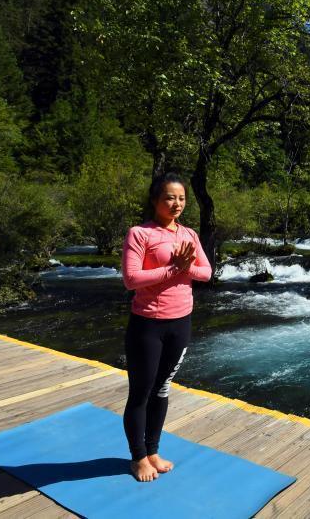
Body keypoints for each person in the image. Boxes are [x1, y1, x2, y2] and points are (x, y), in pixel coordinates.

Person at [120, 172, 212, 482]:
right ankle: (138, 458)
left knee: (162, 387)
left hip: (180, 322)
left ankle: (153, 450)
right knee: (141, 392)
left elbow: (206, 273)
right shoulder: (140, 234)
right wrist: (174, 268)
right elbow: (131, 279)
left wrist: (187, 267)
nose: (177, 203)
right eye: (170, 197)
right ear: (155, 200)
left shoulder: (189, 235)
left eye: (182, 198)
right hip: (147, 324)